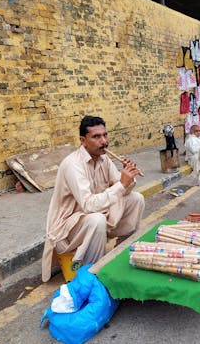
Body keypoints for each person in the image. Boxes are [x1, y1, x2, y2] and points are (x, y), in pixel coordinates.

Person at [41, 116, 145, 282]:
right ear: (83, 140)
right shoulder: (73, 165)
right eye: (96, 137)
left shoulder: (104, 158)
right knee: (96, 220)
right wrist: (121, 185)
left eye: (105, 135)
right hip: (66, 229)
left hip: (94, 218)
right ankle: (93, 273)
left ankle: (121, 252)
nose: (103, 141)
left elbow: (121, 188)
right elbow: (88, 205)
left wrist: (128, 178)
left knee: (136, 199)